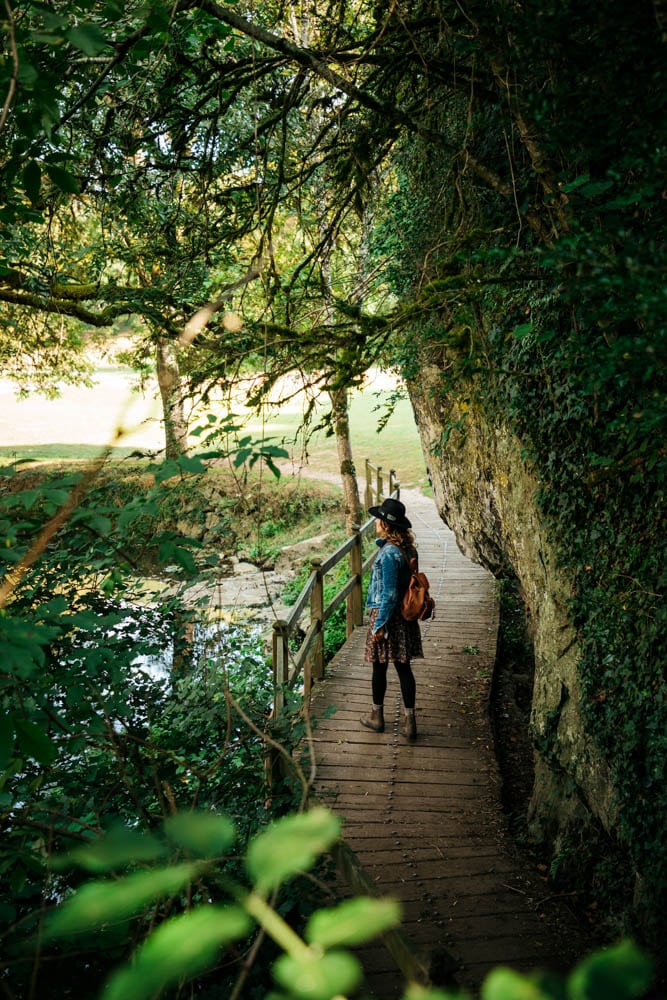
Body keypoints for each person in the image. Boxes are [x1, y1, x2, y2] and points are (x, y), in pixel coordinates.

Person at [360, 497, 424, 740]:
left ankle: (377, 717)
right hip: (405, 618)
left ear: (386, 525)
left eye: (379, 519)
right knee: (404, 668)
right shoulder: (409, 550)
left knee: (379, 667)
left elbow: (388, 593)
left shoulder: (388, 554)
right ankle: (410, 722)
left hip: (387, 616)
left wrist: (379, 625)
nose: (376, 522)